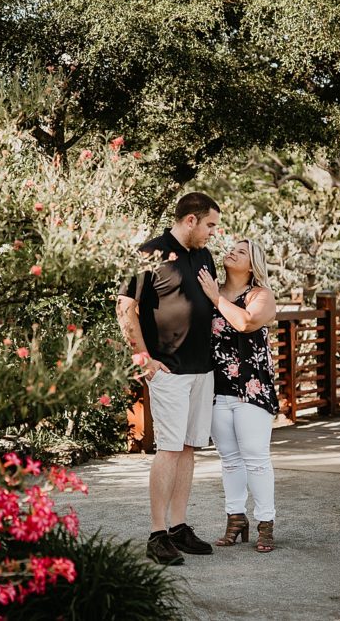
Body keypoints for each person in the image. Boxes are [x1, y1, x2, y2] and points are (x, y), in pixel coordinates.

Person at [117, 192, 221, 566]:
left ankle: (178, 527)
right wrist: (143, 358)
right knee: (170, 449)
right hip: (169, 370)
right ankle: (157, 534)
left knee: (189, 447)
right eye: (210, 225)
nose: (213, 232)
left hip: (202, 369)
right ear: (190, 220)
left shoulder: (204, 256)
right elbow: (125, 308)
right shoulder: (151, 252)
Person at [198, 238, 279, 553]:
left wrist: (215, 297)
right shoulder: (211, 289)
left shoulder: (261, 295)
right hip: (216, 389)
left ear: (253, 264)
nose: (232, 252)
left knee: (256, 458)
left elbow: (246, 322)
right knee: (229, 460)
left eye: (241, 251)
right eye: (231, 248)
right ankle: (235, 519)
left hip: (252, 388)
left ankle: (265, 524)